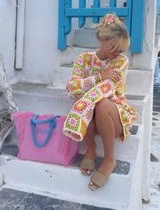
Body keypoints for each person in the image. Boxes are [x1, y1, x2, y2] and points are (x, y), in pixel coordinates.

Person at [63, 13, 136, 191]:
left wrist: (85, 88)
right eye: (114, 48)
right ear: (102, 39)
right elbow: (71, 87)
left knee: (100, 103)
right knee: (82, 99)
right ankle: (91, 148)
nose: (117, 53)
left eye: (121, 49)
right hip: (92, 115)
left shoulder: (121, 61)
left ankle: (109, 158)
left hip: (113, 114)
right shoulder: (84, 59)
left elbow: (107, 88)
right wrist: (99, 76)